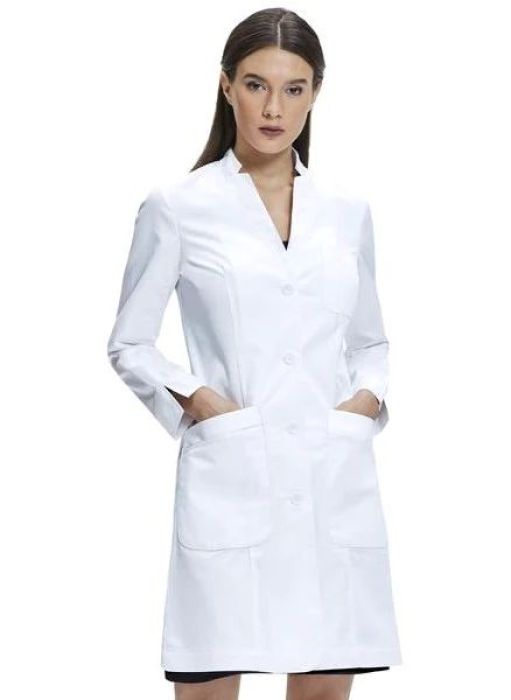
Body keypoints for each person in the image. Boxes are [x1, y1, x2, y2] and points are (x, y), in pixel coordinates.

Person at [107, 7, 402, 699]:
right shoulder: (178, 206)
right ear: (226, 86)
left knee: (323, 686)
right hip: (231, 476)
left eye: (293, 88)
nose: (274, 108)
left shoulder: (347, 212)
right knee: (210, 684)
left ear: (315, 92)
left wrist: (362, 403)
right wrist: (201, 401)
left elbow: (371, 342)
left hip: (330, 477)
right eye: (255, 85)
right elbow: (129, 341)